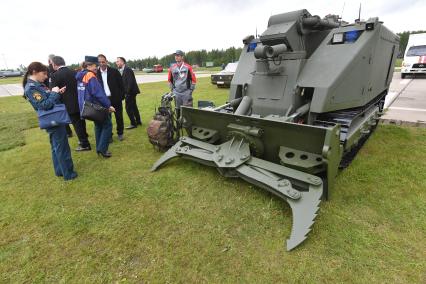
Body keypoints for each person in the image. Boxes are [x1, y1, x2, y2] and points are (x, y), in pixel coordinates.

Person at [23, 62, 77, 180]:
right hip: (53, 120)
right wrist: (54, 92)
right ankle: (69, 174)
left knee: (56, 147)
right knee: (62, 147)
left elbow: (48, 99)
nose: (46, 77)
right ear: (34, 72)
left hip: (53, 118)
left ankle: (60, 171)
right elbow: (45, 104)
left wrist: (57, 93)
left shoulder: (38, 85)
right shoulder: (32, 88)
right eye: (44, 73)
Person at [76, 56, 115, 158]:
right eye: (95, 65)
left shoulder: (80, 76)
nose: (96, 68)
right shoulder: (90, 76)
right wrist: (108, 105)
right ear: (89, 65)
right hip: (96, 106)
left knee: (98, 126)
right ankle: (102, 149)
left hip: (87, 107)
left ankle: (99, 148)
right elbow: (98, 93)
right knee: (107, 125)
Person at [50, 56, 91, 151]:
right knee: (81, 121)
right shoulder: (74, 72)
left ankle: (85, 144)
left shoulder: (55, 75)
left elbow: (53, 90)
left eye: (52, 64)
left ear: (55, 64)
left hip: (69, 103)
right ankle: (84, 138)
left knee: (76, 123)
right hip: (79, 101)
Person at [97, 54, 125, 141]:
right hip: (104, 100)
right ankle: (109, 135)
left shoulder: (114, 71)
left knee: (119, 116)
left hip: (116, 98)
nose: (102, 64)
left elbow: (121, 85)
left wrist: (121, 96)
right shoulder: (96, 73)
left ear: (106, 61)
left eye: (103, 61)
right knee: (107, 119)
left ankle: (120, 133)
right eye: (99, 62)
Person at [168, 50, 196, 118]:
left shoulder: (188, 67)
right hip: (176, 93)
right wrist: (172, 90)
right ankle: (178, 125)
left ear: (182, 57)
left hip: (186, 92)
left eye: (178, 55)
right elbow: (169, 80)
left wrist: (190, 91)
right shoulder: (172, 68)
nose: (176, 57)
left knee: (187, 110)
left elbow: (194, 80)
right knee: (178, 109)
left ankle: (187, 126)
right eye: (175, 56)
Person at [116, 57, 141, 129]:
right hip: (131, 92)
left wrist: (127, 93)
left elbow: (130, 82)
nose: (116, 63)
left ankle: (133, 123)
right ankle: (138, 121)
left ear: (122, 62)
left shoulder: (127, 69)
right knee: (133, 107)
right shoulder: (124, 69)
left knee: (128, 108)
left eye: (118, 61)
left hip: (130, 92)